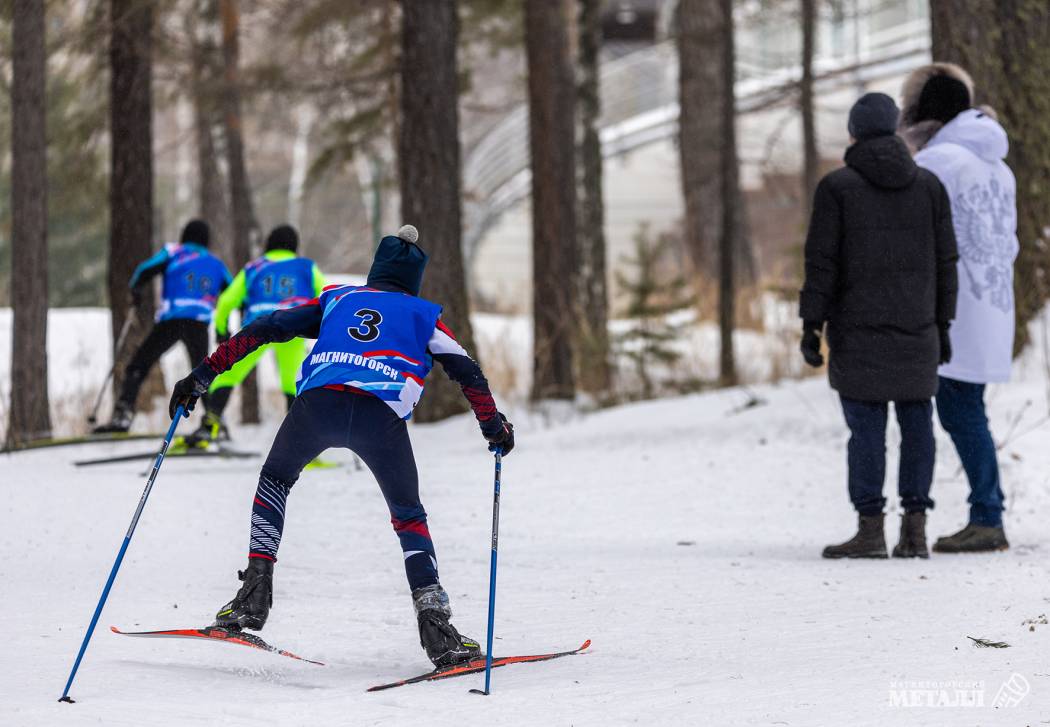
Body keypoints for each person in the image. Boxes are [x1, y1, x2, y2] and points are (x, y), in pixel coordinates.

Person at [167, 225, 515, 668]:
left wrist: (203, 375)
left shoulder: (337, 298)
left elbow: (268, 325)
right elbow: (468, 372)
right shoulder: (422, 314)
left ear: (375, 269)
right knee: (409, 516)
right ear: (414, 278)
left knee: (274, 482)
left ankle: (254, 593)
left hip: (317, 406)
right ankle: (436, 627)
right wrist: (494, 429)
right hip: (380, 417)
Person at [799, 92, 958, 560]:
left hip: (858, 332)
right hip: (918, 329)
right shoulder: (929, 186)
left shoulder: (837, 188)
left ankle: (870, 530)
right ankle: (915, 528)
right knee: (917, 425)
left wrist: (811, 325)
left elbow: (821, 264)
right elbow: (946, 262)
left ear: (854, 133)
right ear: (894, 131)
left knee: (866, 431)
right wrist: (944, 324)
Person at [899, 64, 1019, 553]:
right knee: (966, 407)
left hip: (955, 306)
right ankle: (986, 511)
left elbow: (917, 233)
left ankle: (988, 516)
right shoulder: (998, 163)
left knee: (960, 408)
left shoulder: (939, 162)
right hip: (992, 299)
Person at [186, 224, 326, 445]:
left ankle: (210, 425)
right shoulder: (306, 267)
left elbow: (226, 301)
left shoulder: (254, 267)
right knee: (294, 382)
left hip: (257, 329)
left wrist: (222, 330)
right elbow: (325, 296)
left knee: (228, 375)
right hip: (294, 326)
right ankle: (300, 440)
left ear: (268, 244)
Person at [94, 219, 232, 433]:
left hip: (172, 320)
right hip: (199, 322)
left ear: (184, 235)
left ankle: (123, 415)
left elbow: (143, 270)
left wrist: (136, 291)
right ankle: (213, 420)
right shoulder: (215, 263)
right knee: (204, 371)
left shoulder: (173, 252)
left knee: (139, 364)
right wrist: (225, 325)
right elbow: (231, 293)